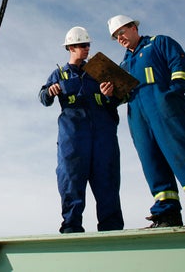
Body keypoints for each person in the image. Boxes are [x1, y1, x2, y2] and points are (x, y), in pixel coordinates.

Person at [106, 14, 185, 227]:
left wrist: (172, 95)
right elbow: (122, 97)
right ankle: (167, 214)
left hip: (165, 109)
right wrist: (110, 94)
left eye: (121, 32)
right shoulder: (123, 64)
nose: (120, 38)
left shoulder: (159, 42)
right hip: (138, 118)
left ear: (133, 27)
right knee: (152, 163)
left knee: (183, 155)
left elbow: (180, 64)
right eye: (116, 36)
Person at [39, 26, 125, 233]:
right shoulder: (58, 74)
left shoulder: (99, 70)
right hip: (73, 136)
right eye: (81, 45)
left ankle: (112, 228)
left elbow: (120, 98)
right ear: (70, 48)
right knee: (70, 179)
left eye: (87, 45)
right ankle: (71, 227)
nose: (86, 49)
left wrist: (109, 95)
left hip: (103, 135)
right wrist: (49, 92)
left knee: (107, 179)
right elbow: (43, 98)